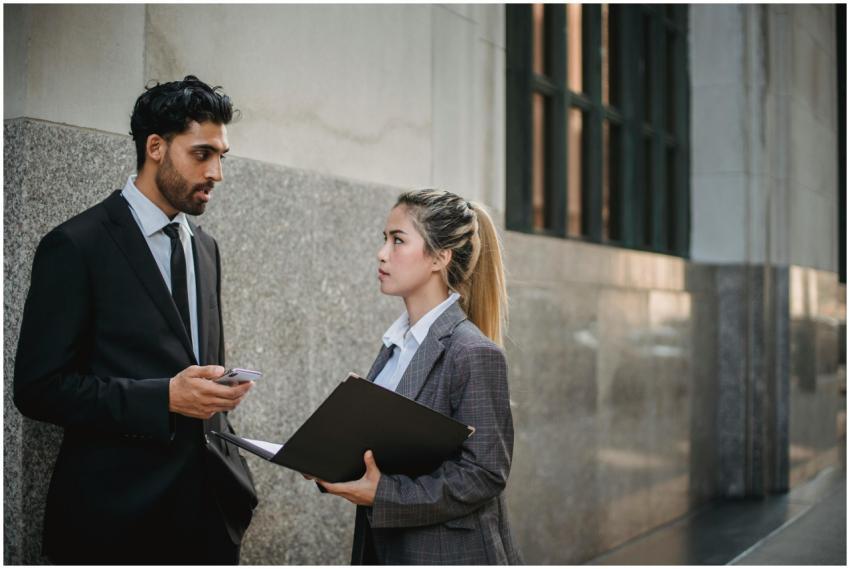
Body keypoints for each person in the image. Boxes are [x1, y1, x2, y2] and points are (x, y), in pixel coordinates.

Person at [14, 75, 258, 564]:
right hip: (114, 522)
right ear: (156, 148)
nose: (217, 173)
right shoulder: (76, 245)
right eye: (202, 154)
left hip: (209, 519)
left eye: (221, 157)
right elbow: (38, 389)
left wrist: (219, 390)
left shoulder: (205, 248)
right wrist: (164, 396)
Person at [315, 189, 523, 564]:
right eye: (384, 240)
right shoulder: (397, 344)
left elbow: (485, 475)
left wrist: (384, 494)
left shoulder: (472, 352)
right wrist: (329, 459)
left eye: (397, 241)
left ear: (440, 258)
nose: (382, 254)